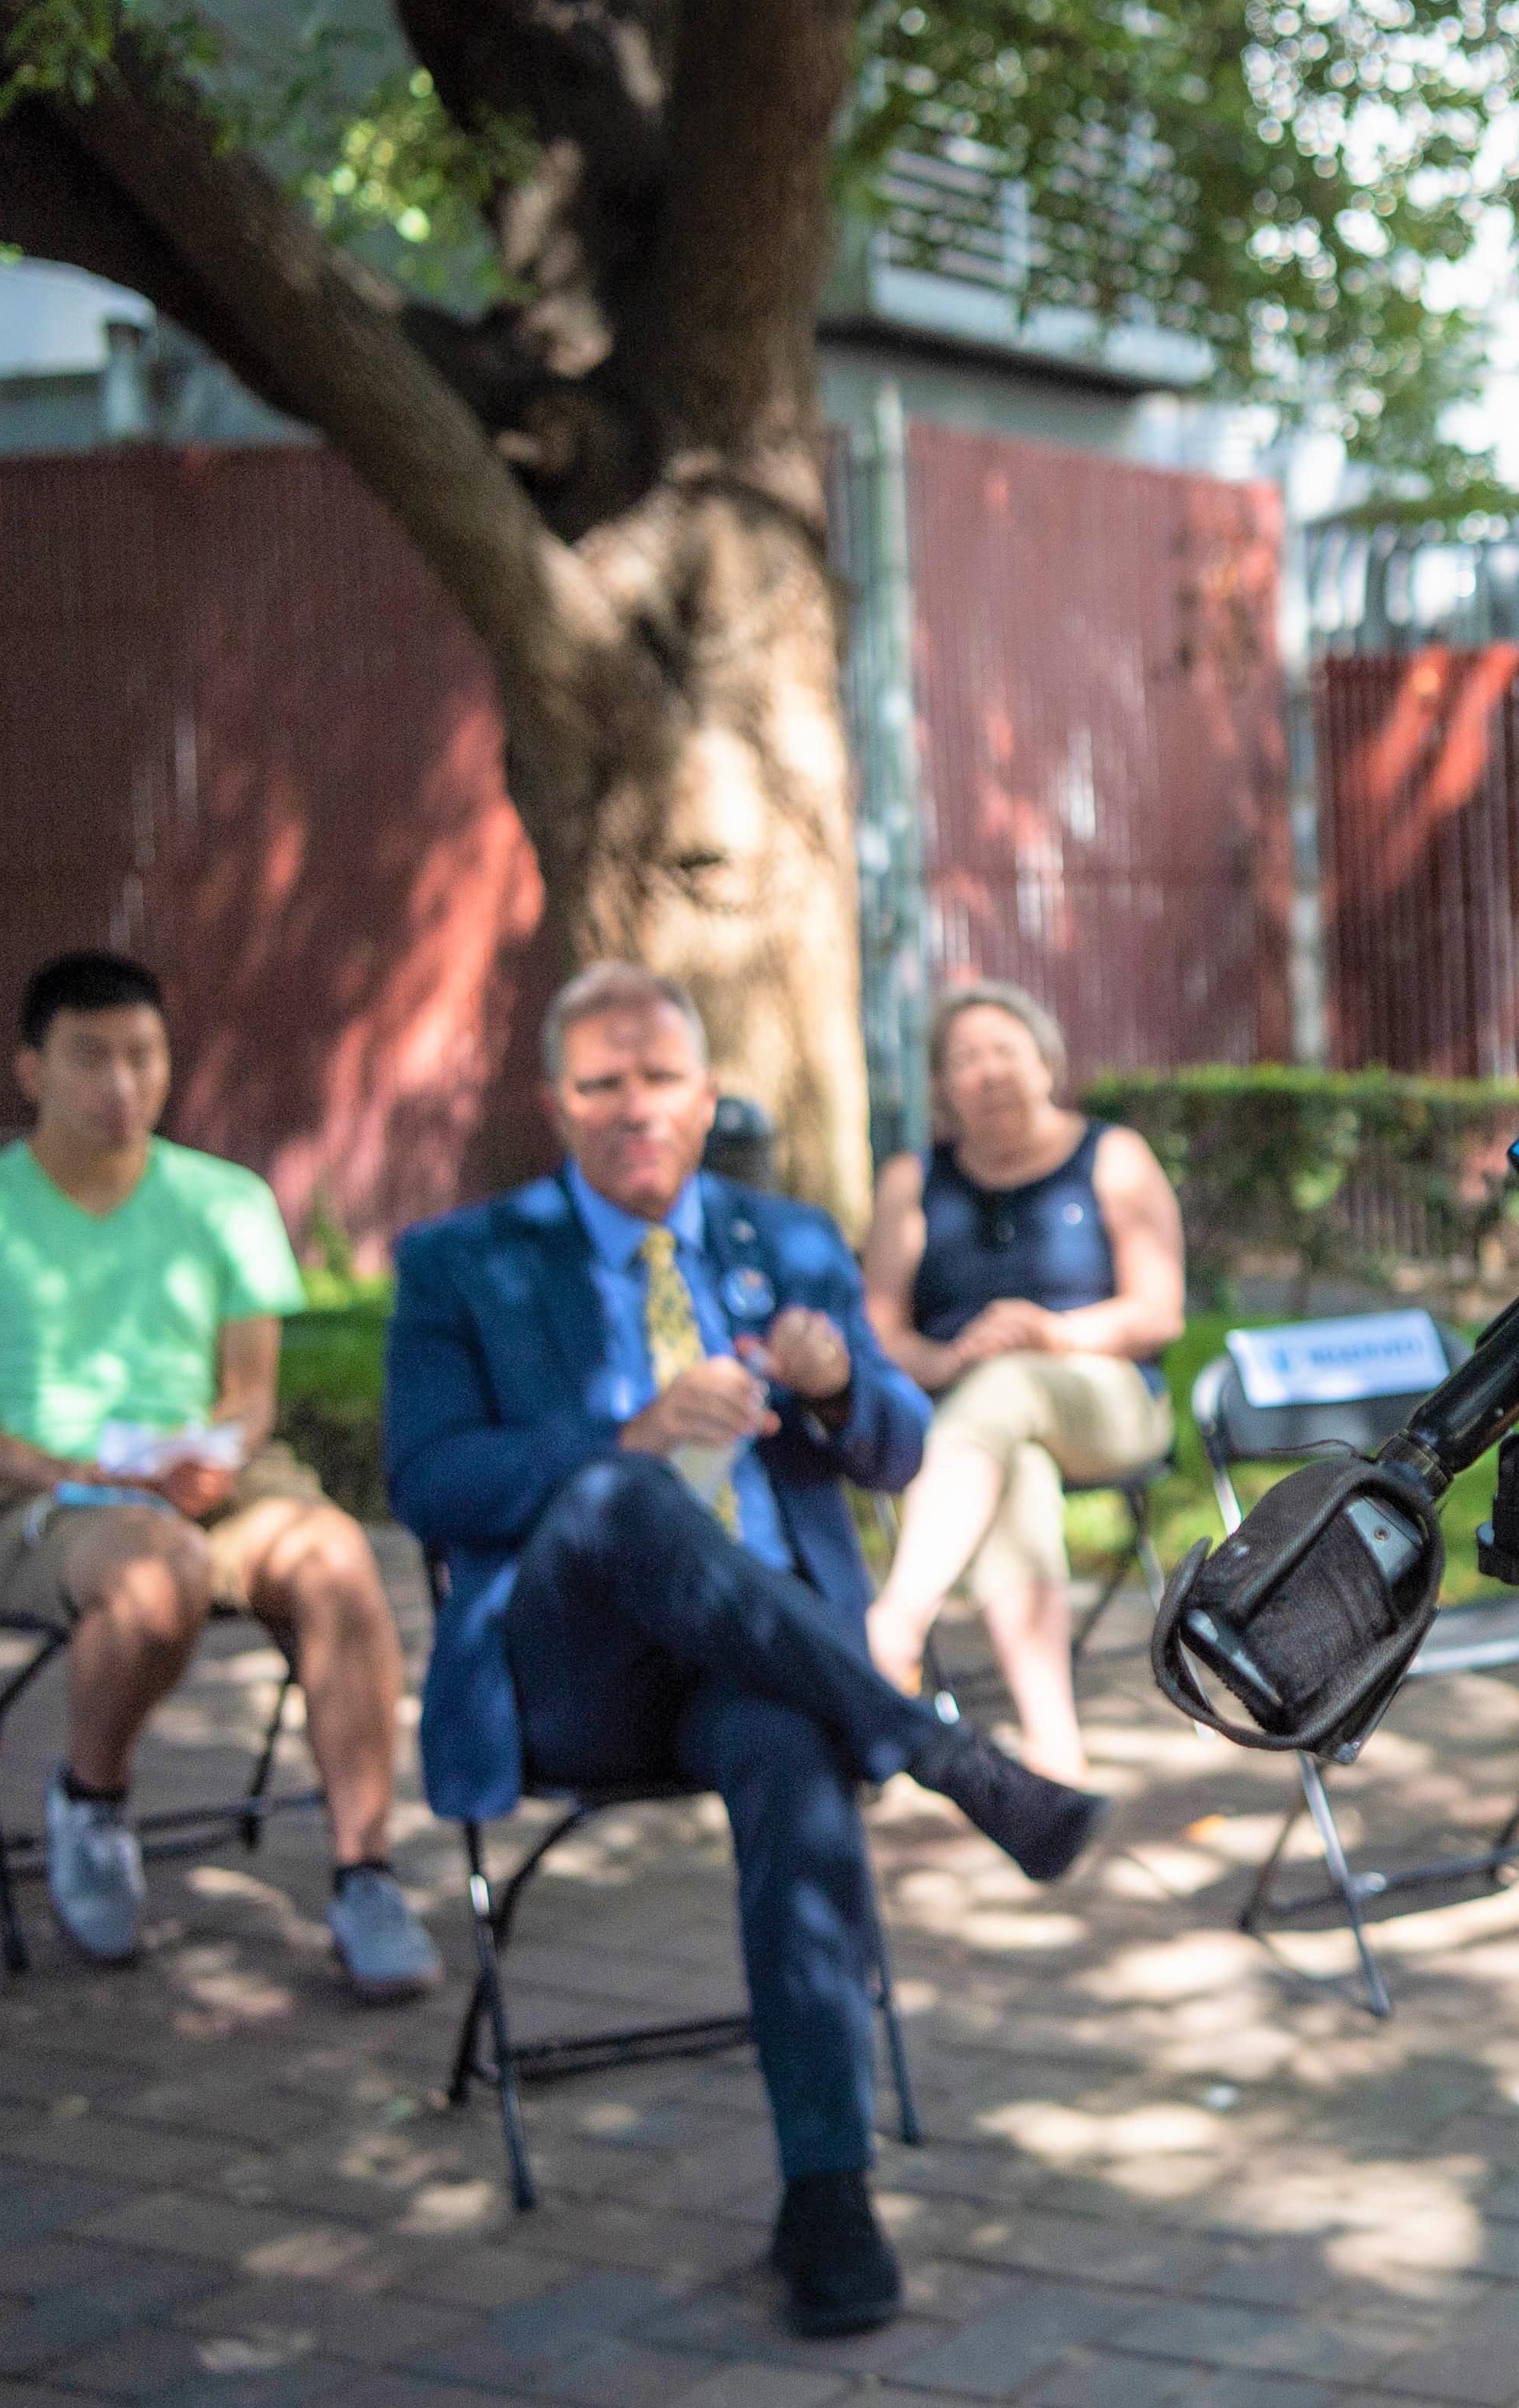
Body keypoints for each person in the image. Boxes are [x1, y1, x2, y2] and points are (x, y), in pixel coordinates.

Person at [384, 963, 1111, 2340]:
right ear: (556, 1102)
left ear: (705, 1093)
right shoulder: (462, 1259)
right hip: (574, 1677)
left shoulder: (781, 1237)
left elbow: (898, 1447)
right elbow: (428, 1481)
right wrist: (629, 1434)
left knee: (785, 1746)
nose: (632, 1109)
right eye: (599, 1083)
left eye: (659, 1079)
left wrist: (838, 1384)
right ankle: (935, 1746)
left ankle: (827, 2190)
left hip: (754, 1668)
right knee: (618, 1495)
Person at [0, 952, 437, 2000]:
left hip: (210, 1477)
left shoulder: (223, 1200)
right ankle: (92, 1800)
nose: (122, 1085)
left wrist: (210, 1454)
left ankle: (366, 1872)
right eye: (92, 1059)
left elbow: (252, 1393)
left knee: (339, 1560)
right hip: (43, 1491)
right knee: (154, 1577)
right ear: (31, 1072)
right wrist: (71, 1468)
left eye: (144, 1057)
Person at [856, 981, 1188, 1779]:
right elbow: (876, 1329)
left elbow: (1160, 1313)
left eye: (1005, 1051)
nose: (989, 1073)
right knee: (1018, 1475)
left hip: (1103, 1392)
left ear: (1046, 1063)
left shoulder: (1112, 1156)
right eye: (965, 1060)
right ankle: (1055, 1747)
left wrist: (1051, 1335)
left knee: (1012, 1386)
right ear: (941, 1088)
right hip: (969, 1420)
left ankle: (893, 1624)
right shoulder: (912, 1180)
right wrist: (938, 1360)